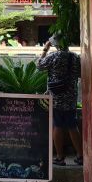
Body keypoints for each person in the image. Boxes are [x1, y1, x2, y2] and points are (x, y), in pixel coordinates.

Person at [37, 32, 83, 166]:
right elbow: (80, 73)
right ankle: (80, 155)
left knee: (57, 124)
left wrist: (45, 50)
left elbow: (39, 66)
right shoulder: (75, 57)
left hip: (56, 96)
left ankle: (60, 157)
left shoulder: (53, 56)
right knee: (72, 125)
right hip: (70, 95)